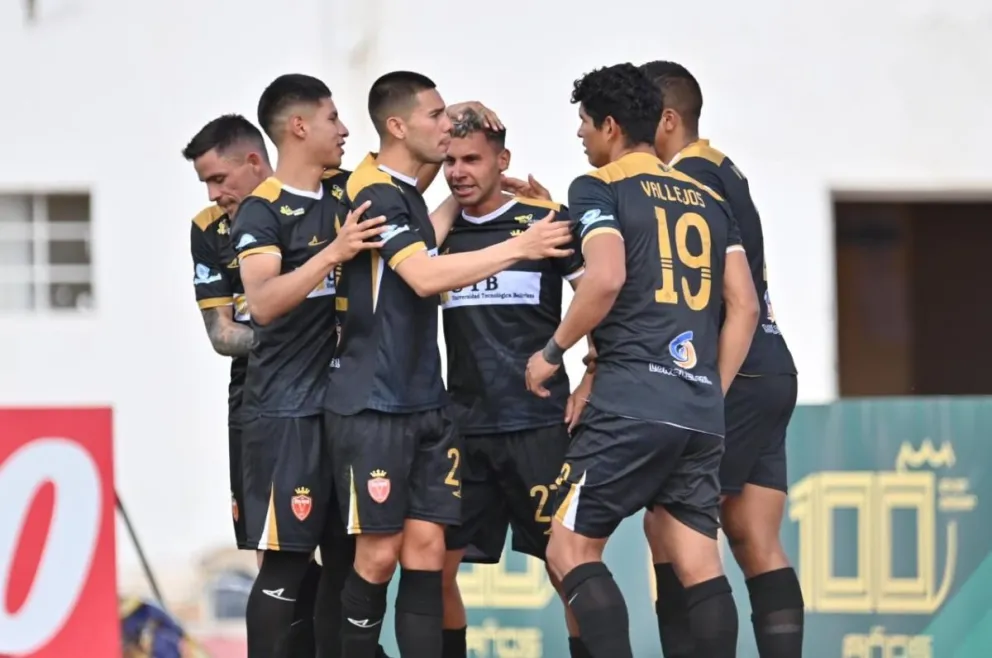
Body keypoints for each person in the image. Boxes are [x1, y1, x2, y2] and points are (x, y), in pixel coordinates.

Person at [322, 70, 574, 658]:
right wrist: (520, 246)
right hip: (376, 404)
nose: (449, 139)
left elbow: (439, 212)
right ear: (398, 126)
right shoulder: (375, 190)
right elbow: (425, 273)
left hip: (436, 410)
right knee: (382, 555)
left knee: (430, 554)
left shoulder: (411, 196)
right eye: (436, 118)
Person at [525, 63, 759, 658]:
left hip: (630, 400)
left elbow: (603, 277)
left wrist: (553, 353)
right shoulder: (709, 198)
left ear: (608, 125)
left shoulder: (597, 186)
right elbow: (746, 306)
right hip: (700, 409)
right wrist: (707, 385)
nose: (580, 135)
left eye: (583, 123)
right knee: (699, 562)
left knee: (569, 550)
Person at [639, 60, 803, 658]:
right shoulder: (724, 167)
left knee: (669, 529)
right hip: (773, 364)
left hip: (730, 367)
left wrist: (709, 387)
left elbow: (716, 294)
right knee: (754, 535)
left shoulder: (687, 181)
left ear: (667, 120)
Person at [230, 73, 389, 658]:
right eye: (331, 118)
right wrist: (335, 252)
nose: (344, 129)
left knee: (348, 565)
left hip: (349, 413)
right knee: (286, 566)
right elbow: (264, 303)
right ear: (299, 127)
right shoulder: (261, 210)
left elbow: (412, 169)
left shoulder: (348, 192)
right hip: (285, 414)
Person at [433, 108, 589, 658]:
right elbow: (409, 269)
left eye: (472, 159)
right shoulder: (438, 234)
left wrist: (592, 372)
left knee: (567, 566)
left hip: (538, 426)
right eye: (449, 160)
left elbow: (600, 301)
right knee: (434, 569)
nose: (457, 170)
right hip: (463, 431)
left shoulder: (545, 222)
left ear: (504, 161)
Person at [183, 114, 272, 559]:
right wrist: (284, 343)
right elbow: (221, 332)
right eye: (206, 183)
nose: (214, 194)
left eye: (219, 179)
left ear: (254, 161)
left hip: (332, 389)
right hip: (254, 393)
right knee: (266, 545)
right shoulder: (207, 227)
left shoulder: (320, 200)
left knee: (337, 542)